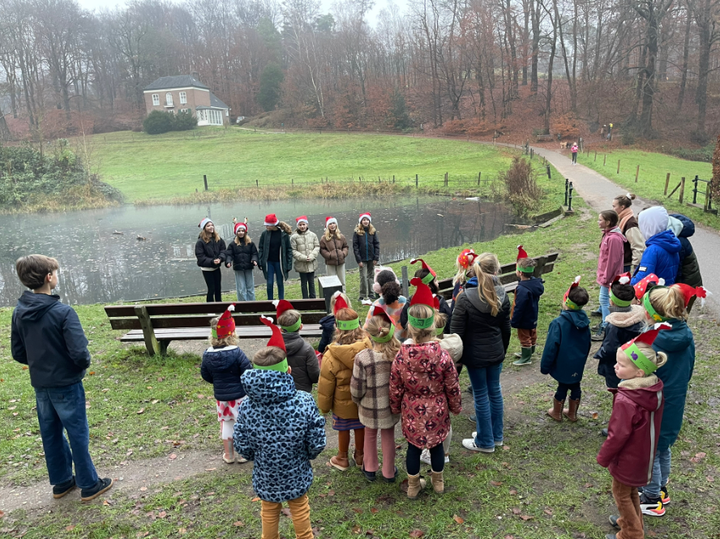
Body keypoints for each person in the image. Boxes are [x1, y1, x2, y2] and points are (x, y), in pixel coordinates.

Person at [10, 254, 113, 502]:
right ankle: (89, 484)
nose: (56, 275)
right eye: (55, 272)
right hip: (66, 383)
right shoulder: (63, 312)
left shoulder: (19, 311)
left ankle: (62, 481)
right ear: (49, 277)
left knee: (51, 433)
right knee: (77, 432)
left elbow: (18, 352)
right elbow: (80, 354)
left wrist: (41, 364)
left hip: (42, 384)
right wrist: (76, 367)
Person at [234, 317, 326, 539]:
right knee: (300, 507)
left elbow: (242, 443)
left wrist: (255, 455)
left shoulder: (246, 406)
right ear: (289, 371)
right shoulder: (303, 400)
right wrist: (308, 455)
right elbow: (317, 440)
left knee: (269, 510)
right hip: (297, 469)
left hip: (266, 471)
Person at [390, 278, 461, 498]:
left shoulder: (402, 355)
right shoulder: (442, 354)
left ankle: (413, 486)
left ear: (410, 325)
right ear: (433, 325)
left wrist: (395, 406)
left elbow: (395, 384)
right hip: (437, 408)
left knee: (413, 448)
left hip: (412, 409)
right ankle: (437, 482)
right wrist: (455, 406)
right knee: (437, 446)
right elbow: (452, 384)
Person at [596, 326, 668, 539]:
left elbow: (617, 434)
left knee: (621, 495)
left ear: (638, 372)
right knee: (630, 493)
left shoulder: (627, 399)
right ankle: (628, 522)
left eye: (621, 365)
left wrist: (604, 457)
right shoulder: (652, 388)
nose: (616, 367)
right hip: (643, 455)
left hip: (628, 457)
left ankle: (632, 533)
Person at [638, 284, 702, 518]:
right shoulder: (686, 334)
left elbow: (640, 377)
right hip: (674, 402)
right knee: (663, 446)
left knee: (650, 451)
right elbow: (690, 368)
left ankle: (652, 497)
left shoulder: (651, 342)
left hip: (653, 405)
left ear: (651, 313)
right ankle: (661, 487)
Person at [450, 253, 511, 452]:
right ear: (495, 270)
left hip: (475, 356)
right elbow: (506, 329)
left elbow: (456, 333)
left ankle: (485, 441)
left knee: (481, 394)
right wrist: (501, 350)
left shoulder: (465, 298)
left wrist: (457, 360)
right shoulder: (503, 294)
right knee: (495, 391)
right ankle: (496, 435)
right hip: (495, 352)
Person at [317, 296, 371, 470]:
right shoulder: (368, 346)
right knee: (360, 426)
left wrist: (324, 408)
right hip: (362, 400)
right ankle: (361, 455)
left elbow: (326, 384)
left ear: (337, 328)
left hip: (341, 403)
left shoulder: (331, 354)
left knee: (343, 428)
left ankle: (342, 457)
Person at [351, 305, 401, 483]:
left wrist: (356, 400)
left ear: (370, 335)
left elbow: (357, 387)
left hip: (369, 407)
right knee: (388, 436)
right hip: (390, 406)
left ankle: (370, 467)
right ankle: (389, 471)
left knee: (369, 434)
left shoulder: (363, 358)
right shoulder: (398, 355)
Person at [593, 274, 646, 436]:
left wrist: (599, 354)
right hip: (636, 363)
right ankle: (635, 421)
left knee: (619, 397)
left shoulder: (614, 324)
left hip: (618, 367)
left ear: (611, 302)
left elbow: (609, 349)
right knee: (633, 394)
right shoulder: (639, 317)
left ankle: (617, 427)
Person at [200, 304, 253, 464]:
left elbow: (205, 374)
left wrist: (217, 382)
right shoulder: (236, 352)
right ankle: (243, 454)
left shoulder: (207, 355)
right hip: (239, 397)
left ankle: (229, 455)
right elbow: (247, 371)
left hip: (221, 397)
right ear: (232, 334)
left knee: (227, 423)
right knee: (243, 423)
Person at [540, 276, 592, 422]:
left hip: (563, 362)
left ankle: (557, 413)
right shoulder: (585, 322)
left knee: (562, 386)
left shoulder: (558, 323)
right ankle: (572, 413)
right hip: (578, 362)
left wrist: (545, 366)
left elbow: (551, 347)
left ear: (566, 301)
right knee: (576, 385)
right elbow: (588, 343)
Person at [275, 300, 320, 393]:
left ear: (281, 329)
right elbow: (315, 375)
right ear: (301, 327)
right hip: (302, 392)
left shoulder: (273, 347)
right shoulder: (307, 349)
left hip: (279, 391)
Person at [399, 258, 453, 335]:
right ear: (429, 286)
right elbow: (449, 323)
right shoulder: (440, 303)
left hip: (417, 340)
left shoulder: (410, 303)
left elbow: (404, 322)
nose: (437, 283)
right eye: (435, 281)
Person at [595, 210, 627, 340]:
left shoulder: (613, 239)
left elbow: (613, 261)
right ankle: (605, 324)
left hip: (609, 277)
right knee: (604, 301)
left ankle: (606, 327)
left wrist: (606, 278)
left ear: (608, 222)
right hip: (606, 276)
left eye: (600, 220)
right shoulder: (608, 235)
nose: (598, 222)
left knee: (605, 301)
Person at [511, 246, 545, 366]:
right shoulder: (536, 284)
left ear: (520, 272)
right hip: (533, 315)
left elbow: (519, 307)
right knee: (532, 333)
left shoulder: (522, 289)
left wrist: (514, 320)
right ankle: (529, 352)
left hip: (524, 318)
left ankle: (526, 358)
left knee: (524, 337)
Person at [631, 206, 681, 287]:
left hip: (653, 294)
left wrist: (627, 283)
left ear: (649, 226)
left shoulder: (652, 250)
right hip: (665, 291)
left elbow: (643, 278)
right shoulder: (671, 243)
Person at [258, 214, 293, 301]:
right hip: (269, 262)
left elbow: (289, 250)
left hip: (280, 262)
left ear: (273, 225)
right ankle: (270, 301)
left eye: (268, 225)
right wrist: (260, 261)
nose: (266, 226)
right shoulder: (264, 234)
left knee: (280, 283)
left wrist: (288, 265)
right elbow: (261, 248)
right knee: (269, 283)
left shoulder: (283, 235)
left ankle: (281, 301)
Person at [364, 268, 406, 336]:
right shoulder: (404, 301)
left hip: (384, 343)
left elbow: (367, 328)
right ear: (396, 282)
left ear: (378, 287)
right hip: (405, 343)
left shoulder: (376, 305)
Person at [667, 213, 703, 289]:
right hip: (690, 280)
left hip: (688, 284)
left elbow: (678, 269)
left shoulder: (678, 242)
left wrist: (677, 288)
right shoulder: (675, 235)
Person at [225, 220, 258, 302]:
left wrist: (254, 260)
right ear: (236, 233)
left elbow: (254, 253)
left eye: (242, 231)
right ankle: (243, 305)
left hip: (248, 267)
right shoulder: (232, 244)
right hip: (238, 268)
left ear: (245, 232)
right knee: (241, 288)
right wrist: (228, 262)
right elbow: (229, 254)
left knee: (250, 287)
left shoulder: (250, 243)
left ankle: (253, 304)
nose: (241, 233)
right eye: (239, 231)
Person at [195, 217, 227, 302]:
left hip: (216, 268)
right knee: (211, 288)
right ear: (204, 228)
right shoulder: (200, 242)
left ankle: (219, 307)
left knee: (218, 288)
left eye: (212, 225)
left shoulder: (218, 239)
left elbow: (223, 250)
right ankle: (210, 308)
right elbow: (201, 257)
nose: (211, 227)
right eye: (208, 226)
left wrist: (220, 258)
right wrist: (212, 261)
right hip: (207, 269)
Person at [611, 193, 645, 274]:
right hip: (619, 261)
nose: (612, 209)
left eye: (614, 206)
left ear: (622, 207)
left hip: (625, 264)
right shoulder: (621, 218)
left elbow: (637, 246)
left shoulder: (630, 223)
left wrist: (636, 266)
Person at [353, 212, 380, 305]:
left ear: (369, 221)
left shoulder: (372, 232)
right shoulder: (357, 233)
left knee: (371, 276)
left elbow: (377, 244)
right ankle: (363, 294)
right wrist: (359, 260)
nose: (365, 221)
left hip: (371, 258)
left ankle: (371, 293)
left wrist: (376, 257)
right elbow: (355, 247)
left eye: (367, 220)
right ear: (361, 222)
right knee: (363, 277)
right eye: (364, 220)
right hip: (362, 258)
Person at [290, 216, 320, 299]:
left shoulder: (313, 235)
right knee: (303, 283)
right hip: (301, 263)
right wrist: (303, 257)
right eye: (300, 225)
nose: (302, 226)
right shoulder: (294, 237)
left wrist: (311, 256)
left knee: (311, 282)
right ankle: (305, 299)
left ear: (307, 224)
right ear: (297, 226)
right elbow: (293, 250)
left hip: (311, 262)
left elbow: (317, 246)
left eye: (304, 224)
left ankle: (313, 298)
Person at [319, 216, 349, 292]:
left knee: (342, 281)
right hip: (330, 263)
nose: (332, 225)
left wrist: (343, 254)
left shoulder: (341, 237)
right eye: (330, 224)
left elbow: (345, 246)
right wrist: (329, 255)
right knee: (331, 281)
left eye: (334, 223)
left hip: (341, 261)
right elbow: (322, 249)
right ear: (327, 226)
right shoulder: (324, 238)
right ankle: (332, 297)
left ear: (336, 225)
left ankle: (343, 296)